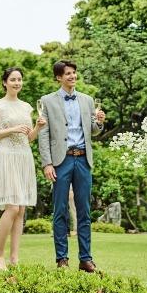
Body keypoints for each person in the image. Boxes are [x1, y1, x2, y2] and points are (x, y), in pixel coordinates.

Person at [38, 60, 105, 272]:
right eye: (67, 73)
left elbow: (92, 130)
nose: (72, 76)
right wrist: (47, 163)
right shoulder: (47, 101)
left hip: (83, 159)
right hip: (61, 161)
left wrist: (100, 122)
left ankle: (86, 259)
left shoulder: (86, 100)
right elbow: (44, 133)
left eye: (74, 73)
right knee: (60, 211)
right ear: (59, 77)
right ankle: (62, 259)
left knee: (84, 211)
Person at [0, 66, 46, 270]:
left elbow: (28, 137)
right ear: (5, 82)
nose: (17, 83)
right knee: (11, 207)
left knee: (20, 209)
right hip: (6, 155)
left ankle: (14, 258)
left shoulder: (27, 106)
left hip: (23, 156)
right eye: (13, 79)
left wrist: (38, 127)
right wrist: (11, 129)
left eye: (20, 79)